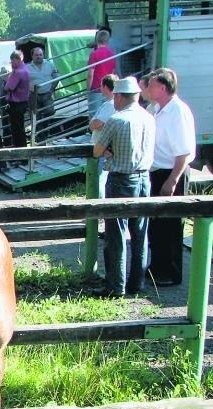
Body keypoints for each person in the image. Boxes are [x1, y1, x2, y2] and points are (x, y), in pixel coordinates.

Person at [92, 76, 156, 298]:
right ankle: (137, 282)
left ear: (119, 96)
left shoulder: (117, 120)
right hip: (144, 178)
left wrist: (109, 151)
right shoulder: (149, 118)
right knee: (140, 233)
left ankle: (115, 285)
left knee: (117, 234)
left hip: (121, 179)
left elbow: (97, 151)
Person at [146, 67, 196, 286]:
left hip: (171, 171)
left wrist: (173, 180)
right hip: (157, 171)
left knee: (172, 224)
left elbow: (184, 152)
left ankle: (171, 272)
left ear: (162, 87)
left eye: (152, 85)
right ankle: (157, 267)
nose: (148, 88)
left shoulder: (178, 111)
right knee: (156, 224)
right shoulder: (156, 108)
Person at [89, 73, 118, 198]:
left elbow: (97, 123)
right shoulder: (110, 103)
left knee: (99, 180)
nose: (100, 88)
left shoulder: (110, 105)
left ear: (106, 87)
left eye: (101, 86)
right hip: (104, 147)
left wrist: (92, 123)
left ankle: (98, 209)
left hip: (102, 148)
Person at [27, 47, 59, 140]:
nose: (39, 57)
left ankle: (44, 132)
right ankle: (40, 138)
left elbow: (56, 77)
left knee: (50, 112)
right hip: (33, 95)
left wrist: (51, 90)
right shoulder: (27, 67)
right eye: (36, 55)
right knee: (34, 117)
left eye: (40, 55)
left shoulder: (50, 64)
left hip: (47, 94)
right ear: (32, 56)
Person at [4, 50, 30, 164]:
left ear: (17, 60)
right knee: (19, 131)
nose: (11, 63)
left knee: (17, 132)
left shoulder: (18, 72)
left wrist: (8, 79)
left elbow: (8, 87)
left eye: (12, 61)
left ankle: (21, 157)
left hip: (17, 104)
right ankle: (22, 157)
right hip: (22, 103)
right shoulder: (25, 70)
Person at [86, 29, 117, 117]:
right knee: (107, 114)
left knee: (94, 115)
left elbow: (90, 74)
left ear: (96, 40)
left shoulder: (94, 54)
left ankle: (94, 131)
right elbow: (113, 72)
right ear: (108, 40)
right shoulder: (112, 54)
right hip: (108, 88)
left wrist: (88, 90)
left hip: (96, 89)